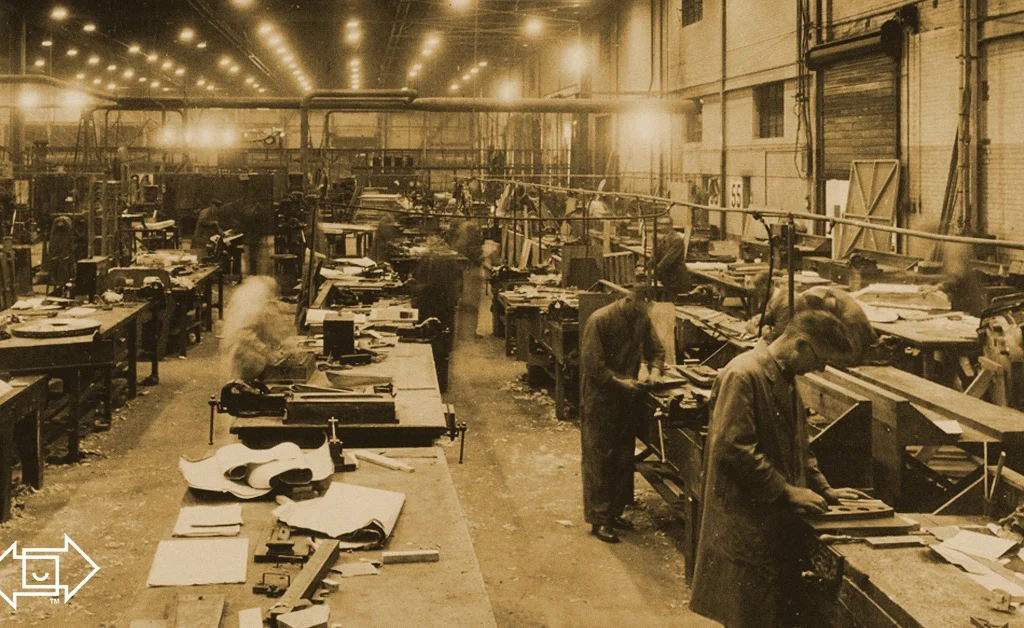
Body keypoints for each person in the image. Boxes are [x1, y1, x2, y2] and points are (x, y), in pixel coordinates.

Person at [690, 309, 869, 628]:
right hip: (745, 523)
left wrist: (822, 486)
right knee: (748, 615)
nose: (820, 369)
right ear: (800, 344)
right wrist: (787, 490)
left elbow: (799, 443)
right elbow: (732, 449)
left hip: (771, 523)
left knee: (769, 614)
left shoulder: (785, 379)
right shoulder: (743, 374)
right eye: (821, 359)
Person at [580, 290, 666, 543]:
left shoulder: (641, 317)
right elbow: (593, 365)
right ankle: (599, 520)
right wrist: (621, 383)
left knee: (621, 457)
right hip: (601, 399)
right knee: (599, 458)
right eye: (641, 306)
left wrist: (656, 370)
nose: (645, 313)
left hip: (625, 399)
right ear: (629, 300)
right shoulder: (600, 320)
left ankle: (614, 513)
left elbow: (657, 350)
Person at [653, 216, 691, 297]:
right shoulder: (664, 239)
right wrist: (647, 266)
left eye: (664, 224)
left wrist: (655, 271)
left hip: (677, 279)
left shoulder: (676, 240)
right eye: (660, 224)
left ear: (670, 225)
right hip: (669, 278)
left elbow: (668, 260)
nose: (660, 227)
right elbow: (656, 255)